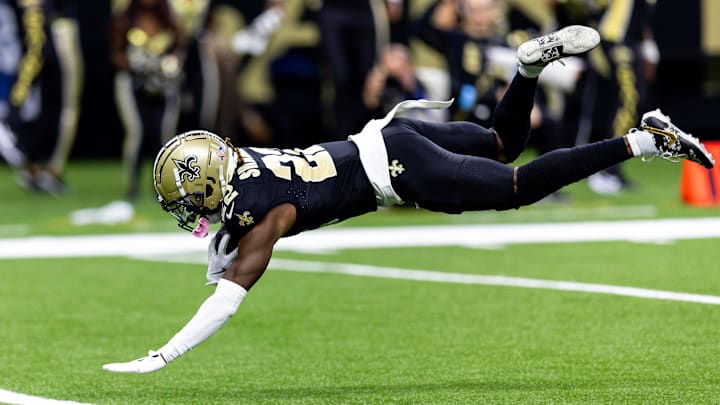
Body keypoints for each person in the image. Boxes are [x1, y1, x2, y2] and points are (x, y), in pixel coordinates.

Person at [102, 25, 714, 373]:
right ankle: (527, 69)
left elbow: (229, 297)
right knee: (504, 142)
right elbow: (232, 229)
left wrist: (164, 355)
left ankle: (642, 139)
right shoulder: (246, 175)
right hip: (389, 133)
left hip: (397, 166)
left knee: (519, 188)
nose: (187, 210)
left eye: (186, 197)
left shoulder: (266, 211)